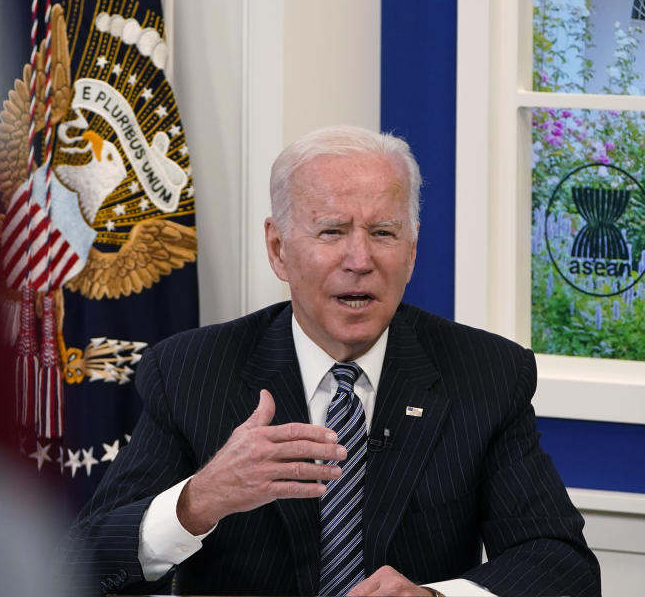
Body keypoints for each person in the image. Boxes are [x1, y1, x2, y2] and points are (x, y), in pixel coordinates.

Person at [67, 125, 601, 596]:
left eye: (383, 233)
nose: (360, 261)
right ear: (278, 249)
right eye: (332, 232)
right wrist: (198, 501)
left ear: (412, 251)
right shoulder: (192, 370)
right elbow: (84, 565)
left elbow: (563, 568)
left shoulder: (486, 373)